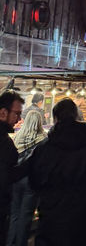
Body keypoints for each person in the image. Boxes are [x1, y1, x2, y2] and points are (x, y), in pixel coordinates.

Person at [29, 98, 86, 246]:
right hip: (84, 213)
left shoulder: (44, 148)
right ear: (76, 116)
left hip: (52, 215)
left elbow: (34, 181)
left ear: (55, 118)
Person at [7, 110, 47, 246]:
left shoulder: (17, 137)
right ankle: (20, 243)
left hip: (16, 179)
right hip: (31, 181)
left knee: (14, 214)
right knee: (26, 216)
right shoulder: (43, 139)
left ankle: (10, 242)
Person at [1, 91, 24, 245]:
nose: (19, 119)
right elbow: (6, 176)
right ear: (3, 112)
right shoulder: (3, 142)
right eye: (16, 113)